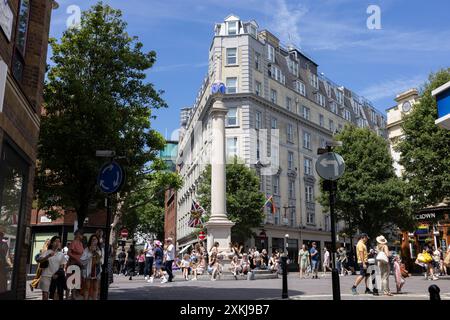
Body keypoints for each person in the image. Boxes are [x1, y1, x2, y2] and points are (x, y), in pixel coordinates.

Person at [37, 236, 67, 300]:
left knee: (55, 295)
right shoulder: (46, 252)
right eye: (55, 241)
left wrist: (57, 274)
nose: (57, 243)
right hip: (46, 275)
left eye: (59, 241)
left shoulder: (61, 254)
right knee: (45, 295)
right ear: (51, 243)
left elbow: (62, 266)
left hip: (55, 277)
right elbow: (39, 260)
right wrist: (48, 256)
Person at [80, 235, 102, 300]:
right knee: (87, 287)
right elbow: (82, 260)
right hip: (89, 270)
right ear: (90, 240)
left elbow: (101, 260)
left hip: (97, 270)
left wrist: (98, 256)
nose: (94, 241)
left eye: (96, 239)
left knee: (96, 287)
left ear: (98, 241)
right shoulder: (86, 249)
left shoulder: (99, 249)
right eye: (93, 239)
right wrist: (90, 252)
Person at [67, 230, 84, 299]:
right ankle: (67, 296)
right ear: (77, 234)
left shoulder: (81, 243)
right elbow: (69, 253)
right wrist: (76, 259)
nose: (82, 236)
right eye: (81, 234)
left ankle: (73, 296)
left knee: (76, 281)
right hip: (73, 263)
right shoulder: (74, 242)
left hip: (79, 264)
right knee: (70, 280)